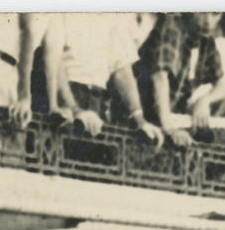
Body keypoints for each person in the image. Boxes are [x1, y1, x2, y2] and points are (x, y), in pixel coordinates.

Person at [51, 12, 166, 145]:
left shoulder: (115, 16)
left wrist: (140, 119)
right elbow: (53, 61)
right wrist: (74, 108)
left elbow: (122, 69)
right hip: (65, 99)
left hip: (98, 102)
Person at [137, 12, 225, 147]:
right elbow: (160, 77)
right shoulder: (173, 26)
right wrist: (170, 129)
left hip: (173, 114)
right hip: (146, 117)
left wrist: (204, 101)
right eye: (203, 12)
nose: (207, 21)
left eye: (215, 14)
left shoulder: (206, 41)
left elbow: (222, 86)